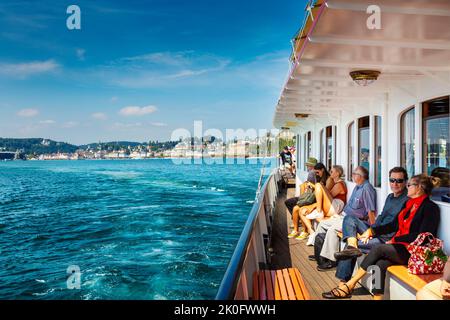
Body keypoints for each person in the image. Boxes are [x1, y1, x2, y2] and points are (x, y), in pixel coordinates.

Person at [322, 174, 440, 300]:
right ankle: (376, 298)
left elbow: (423, 236)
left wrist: (395, 240)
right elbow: (392, 225)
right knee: (380, 265)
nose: (407, 186)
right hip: (399, 247)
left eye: (409, 184)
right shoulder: (408, 205)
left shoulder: (430, 208)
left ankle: (349, 285)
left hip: (414, 251)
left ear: (419, 188)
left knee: (379, 249)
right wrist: (372, 231)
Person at [332, 167, 409, 283]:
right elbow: (381, 216)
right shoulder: (390, 197)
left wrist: (372, 233)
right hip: (376, 232)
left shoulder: (407, 200)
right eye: (392, 180)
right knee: (349, 218)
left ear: (406, 182)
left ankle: (342, 284)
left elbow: (397, 226)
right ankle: (353, 245)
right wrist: (370, 231)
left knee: (349, 246)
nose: (395, 184)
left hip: (385, 239)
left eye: (399, 181)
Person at [313, 166, 376, 271]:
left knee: (333, 229)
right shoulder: (357, 187)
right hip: (343, 216)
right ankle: (319, 255)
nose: (352, 175)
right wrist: (339, 214)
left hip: (352, 221)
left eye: (354, 174)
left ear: (360, 176)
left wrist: (372, 230)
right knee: (322, 224)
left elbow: (371, 211)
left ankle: (331, 261)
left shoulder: (367, 189)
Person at [293, 165, 347, 240]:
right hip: (330, 206)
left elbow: (328, 196)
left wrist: (315, 204)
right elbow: (326, 197)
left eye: (332, 171)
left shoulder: (340, 184)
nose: (330, 172)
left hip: (335, 206)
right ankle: (312, 233)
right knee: (302, 210)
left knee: (318, 185)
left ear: (337, 173)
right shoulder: (334, 182)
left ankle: (319, 211)